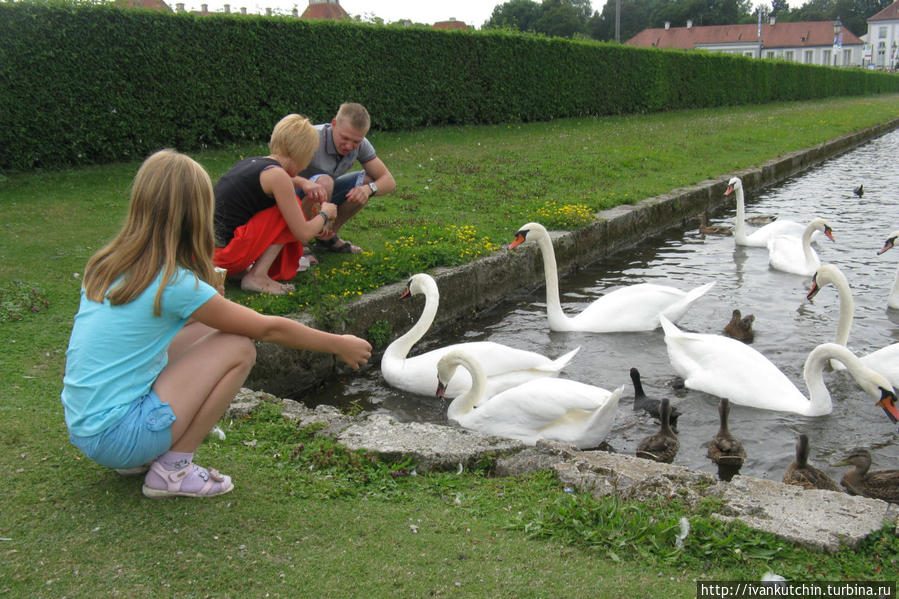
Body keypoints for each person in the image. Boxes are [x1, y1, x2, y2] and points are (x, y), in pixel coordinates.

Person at [61, 149, 372, 499]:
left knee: (209, 330)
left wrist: (207, 305)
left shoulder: (108, 264)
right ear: (196, 213)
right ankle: (173, 470)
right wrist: (337, 343)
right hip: (120, 434)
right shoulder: (172, 282)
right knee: (239, 347)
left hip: (87, 425)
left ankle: (145, 455)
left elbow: (152, 328)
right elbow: (266, 328)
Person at [213, 114, 336, 295]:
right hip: (226, 259)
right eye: (309, 156)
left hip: (209, 257)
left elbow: (279, 179)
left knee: (283, 205)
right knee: (288, 206)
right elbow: (302, 234)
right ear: (301, 152)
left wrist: (303, 183)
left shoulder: (252, 163)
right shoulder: (278, 177)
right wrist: (324, 214)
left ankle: (246, 271)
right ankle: (257, 276)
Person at [295, 102, 396, 255]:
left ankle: (327, 237)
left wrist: (368, 189)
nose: (349, 146)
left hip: (323, 194)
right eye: (345, 138)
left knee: (368, 182)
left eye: (356, 142)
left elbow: (389, 181)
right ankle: (299, 243)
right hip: (293, 198)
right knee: (325, 182)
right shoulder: (310, 138)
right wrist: (306, 184)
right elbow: (277, 173)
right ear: (334, 124)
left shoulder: (362, 144)